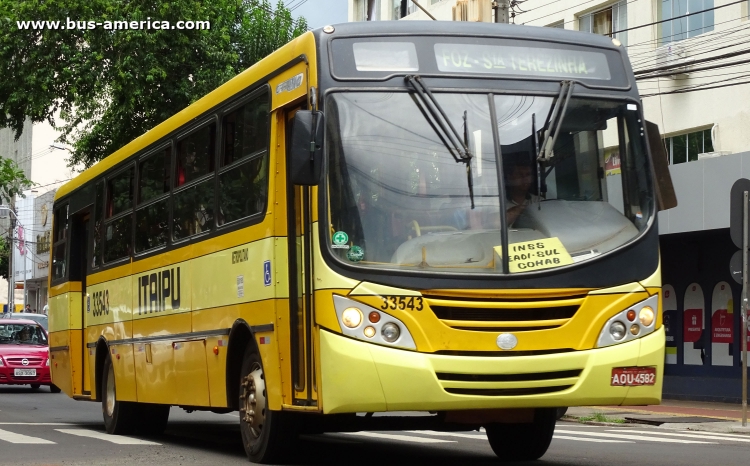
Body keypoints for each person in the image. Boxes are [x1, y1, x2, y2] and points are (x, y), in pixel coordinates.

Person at [505, 162, 540, 226]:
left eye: (528, 175)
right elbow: (495, 225)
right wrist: (520, 209)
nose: (525, 178)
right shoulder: (498, 203)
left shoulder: (539, 201)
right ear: (509, 178)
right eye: (520, 174)